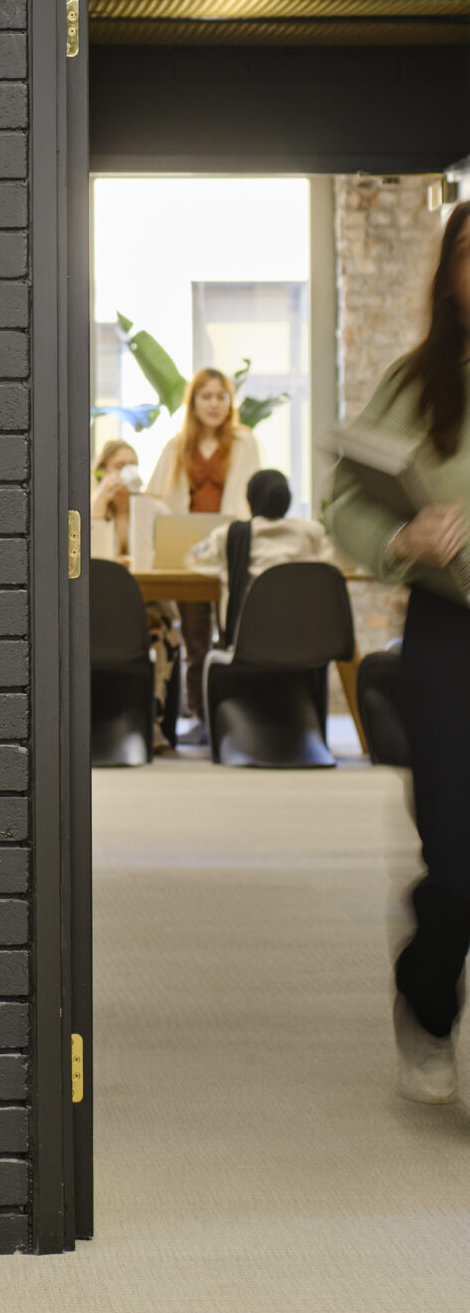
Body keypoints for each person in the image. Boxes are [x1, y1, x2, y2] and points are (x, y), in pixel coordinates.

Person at [325, 201, 470, 1104]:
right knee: (456, 857)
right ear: (449, 274)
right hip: (448, 634)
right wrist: (401, 539)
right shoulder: (418, 381)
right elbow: (347, 497)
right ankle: (425, 997)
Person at [147, 366, 263, 743]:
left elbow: (253, 497)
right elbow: (156, 500)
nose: (214, 404)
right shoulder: (175, 446)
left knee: (233, 636)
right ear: (193, 403)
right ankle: (199, 716)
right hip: (190, 554)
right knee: (195, 641)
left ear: (230, 402)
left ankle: (229, 714)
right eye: (206, 396)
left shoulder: (245, 443)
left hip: (231, 550)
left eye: (221, 396)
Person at [187, 467, 329, 646]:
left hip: (247, 647)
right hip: (303, 646)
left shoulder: (229, 535)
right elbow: (331, 568)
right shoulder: (311, 532)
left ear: (249, 501)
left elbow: (194, 558)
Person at [91, 437, 142, 559]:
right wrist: (101, 498)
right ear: (103, 470)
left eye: (133, 465)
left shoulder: (149, 508)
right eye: (120, 466)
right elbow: (90, 549)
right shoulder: (90, 507)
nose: (129, 471)